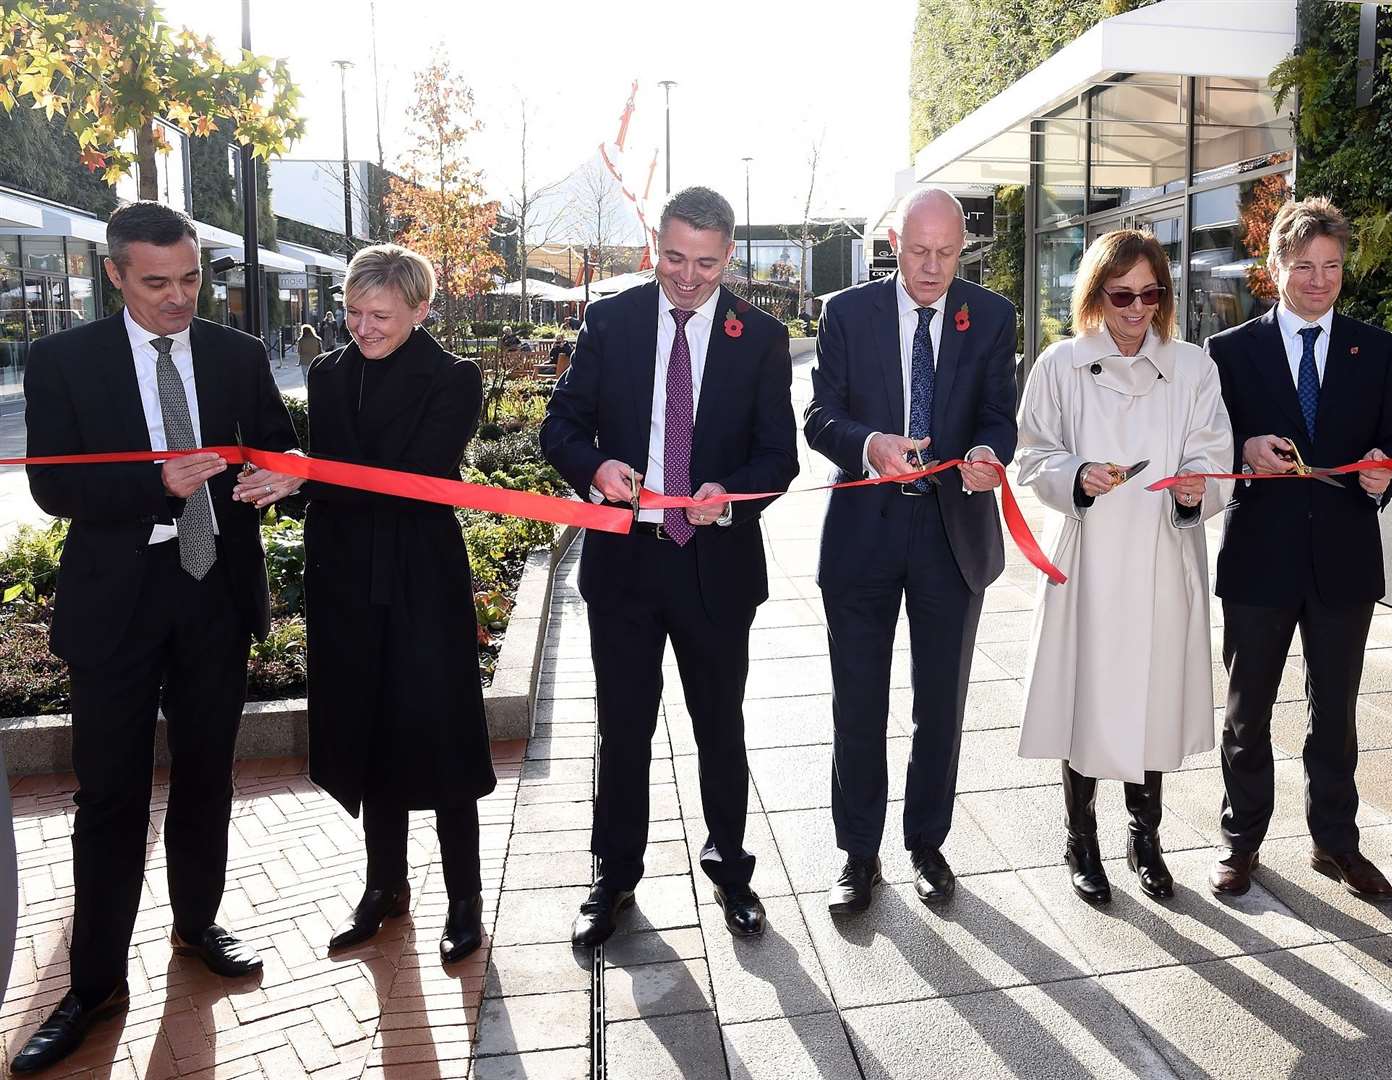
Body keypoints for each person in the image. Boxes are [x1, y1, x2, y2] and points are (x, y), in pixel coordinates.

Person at [13, 201, 301, 1075]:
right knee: (109, 795)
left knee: (209, 773)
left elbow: (281, 449)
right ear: (115, 274)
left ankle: (197, 919)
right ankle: (93, 982)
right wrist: (155, 484)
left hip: (214, 596)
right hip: (117, 607)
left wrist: (273, 478)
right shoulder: (60, 359)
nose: (180, 298)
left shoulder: (237, 353)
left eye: (190, 279)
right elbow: (52, 491)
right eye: (157, 283)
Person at [541, 186, 798, 947]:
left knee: (719, 725)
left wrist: (735, 498)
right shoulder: (612, 321)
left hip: (714, 565)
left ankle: (731, 872)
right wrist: (595, 468)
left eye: (707, 265)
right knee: (622, 729)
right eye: (676, 259)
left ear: (729, 259)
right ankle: (614, 877)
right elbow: (560, 423)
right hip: (625, 563)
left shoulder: (759, 335)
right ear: (657, 244)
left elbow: (777, 455)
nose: (688, 279)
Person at [804, 188, 1017, 915]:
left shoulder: (989, 316)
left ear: (964, 249)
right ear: (892, 241)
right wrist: (868, 446)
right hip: (863, 530)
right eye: (917, 251)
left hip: (950, 535)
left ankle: (927, 843)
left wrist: (989, 452)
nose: (930, 268)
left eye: (946, 254)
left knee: (940, 704)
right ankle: (856, 855)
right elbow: (819, 416)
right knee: (857, 704)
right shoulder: (845, 313)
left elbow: (996, 412)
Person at [1206, 196, 1392, 899]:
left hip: (1343, 562)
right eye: (1303, 267)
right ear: (1274, 269)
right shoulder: (1228, 352)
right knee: (1246, 713)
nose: (1319, 281)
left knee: (1335, 716)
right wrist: (1241, 447)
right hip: (1258, 559)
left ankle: (1335, 845)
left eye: (1330, 266)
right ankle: (1240, 844)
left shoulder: (1375, 348)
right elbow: (1205, 447)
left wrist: (1383, 472)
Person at [290, 244, 496, 962]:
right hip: (346, 580)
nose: (362, 328)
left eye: (380, 315)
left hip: (419, 578)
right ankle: (385, 888)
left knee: (438, 733)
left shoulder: (453, 378)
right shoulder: (327, 371)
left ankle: (464, 897)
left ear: (420, 309)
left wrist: (307, 478)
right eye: (352, 311)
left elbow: (411, 478)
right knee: (367, 730)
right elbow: (334, 476)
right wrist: (291, 480)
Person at [1014, 230, 1233, 905]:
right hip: (1088, 555)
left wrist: (1199, 486)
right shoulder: (1059, 364)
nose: (1136, 308)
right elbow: (1032, 456)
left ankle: (1145, 837)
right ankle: (1079, 839)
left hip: (1163, 553)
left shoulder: (1193, 367)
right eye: (1121, 294)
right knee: (1083, 694)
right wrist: (1076, 475)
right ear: (1095, 293)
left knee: (1151, 695)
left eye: (1150, 293)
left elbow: (1211, 450)